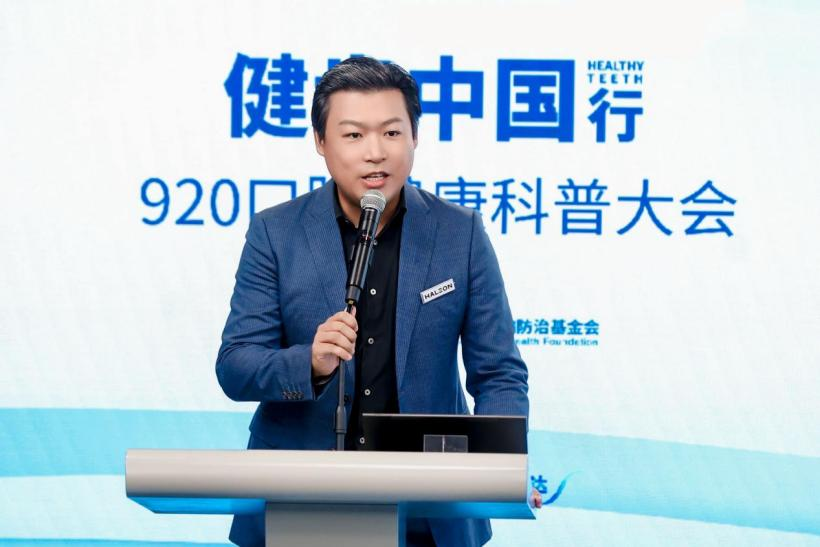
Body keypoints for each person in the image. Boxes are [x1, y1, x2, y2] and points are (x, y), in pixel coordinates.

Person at [216, 56, 529, 547]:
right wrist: (310, 363)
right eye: (354, 135)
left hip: (428, 505)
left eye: (391, 132)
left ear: (414, 137)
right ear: (321, 142)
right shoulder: (276, 233)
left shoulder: (459, 233)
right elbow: (236, 366)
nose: (375, 153)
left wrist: (500, 466)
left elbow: (499, 373)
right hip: (300, 497)